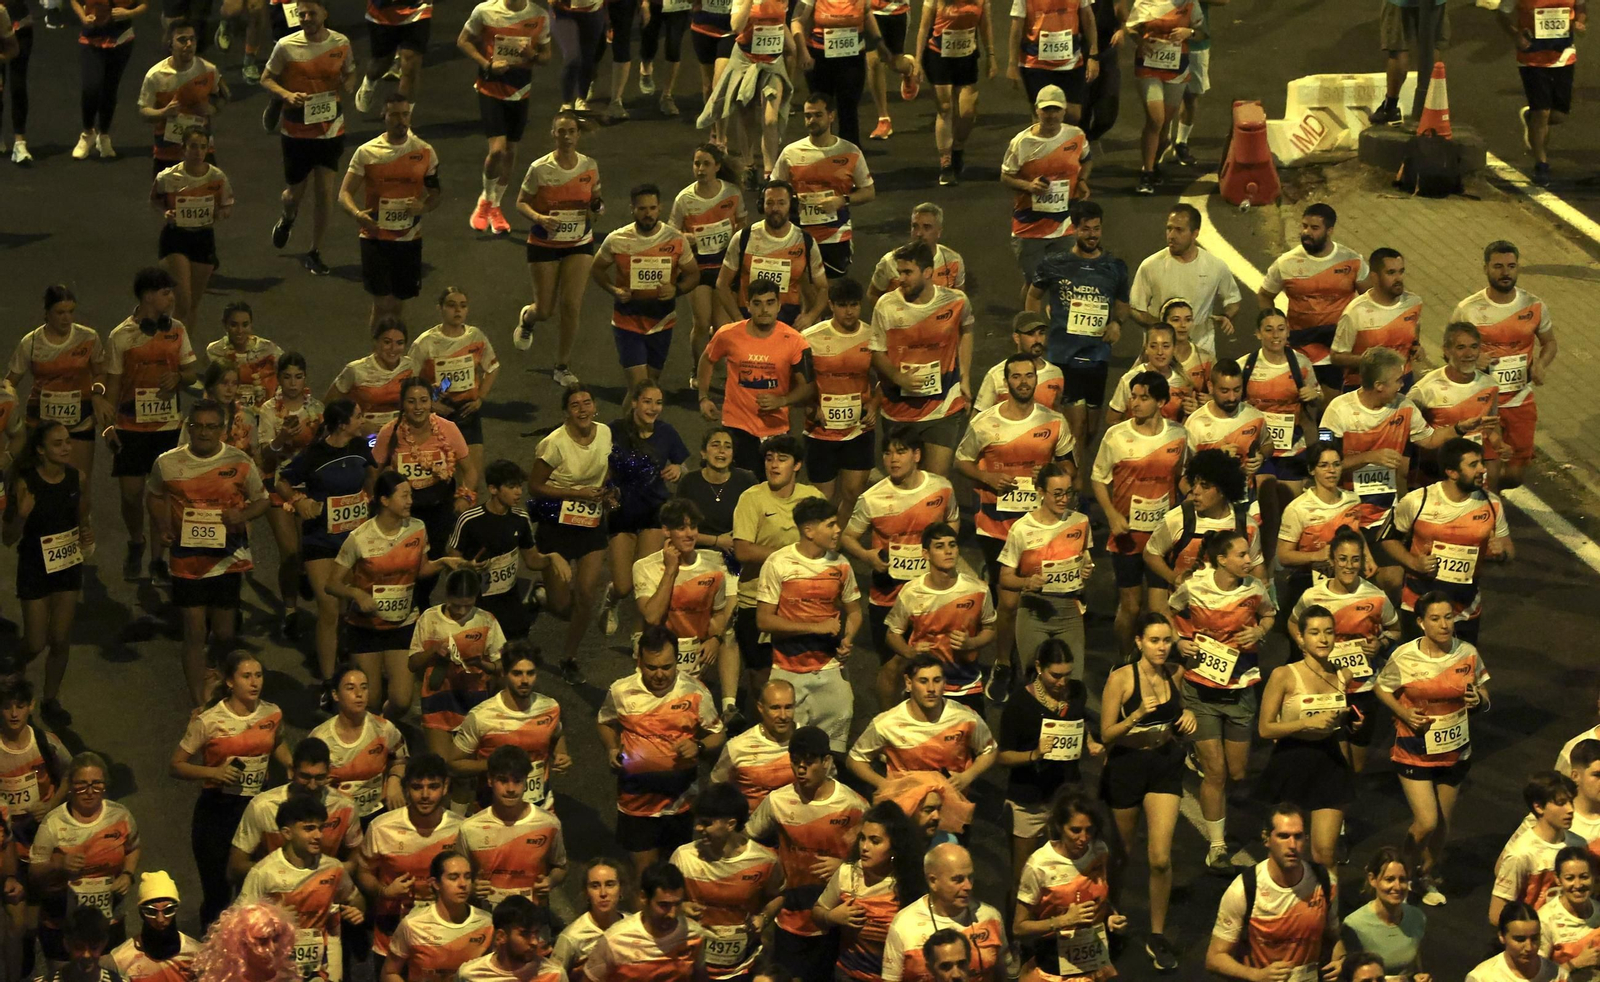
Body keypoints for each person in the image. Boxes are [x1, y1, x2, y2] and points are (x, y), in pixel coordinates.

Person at [148, 399, 270, 705]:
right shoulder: (167, 462)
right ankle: (199, 705)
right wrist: (162, 525)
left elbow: (262, 500)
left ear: (223, 430)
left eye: (211, 427)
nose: (204, 433)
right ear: (188, 428)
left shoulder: (240, 461)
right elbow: (154, 494)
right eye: (198, 426)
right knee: (194, 632)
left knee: (225, 634)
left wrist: (243, 515)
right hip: (186, 559)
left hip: (227, 559)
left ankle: (221, 685)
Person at [325, 472, 476, 715]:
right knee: (371, 701)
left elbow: (422, 570)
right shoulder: (359, 538)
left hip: (403, 623)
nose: (410, 501)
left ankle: (384, 727)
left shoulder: (417, 528)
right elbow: (331, 584)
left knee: (402, 701)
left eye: (410, 496)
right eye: (404, 496)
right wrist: (356, 594)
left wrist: (443, 562)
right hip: (366, 627)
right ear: (384, 500)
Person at [1374, 590, 1490, 907]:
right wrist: (1403, 712)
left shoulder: (1468, 653)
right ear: (1421, 622)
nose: (1443, 625)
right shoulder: (1405, 656)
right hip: (1414, 749)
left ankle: (1424, 876)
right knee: (1427, 821)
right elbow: (1382, 688)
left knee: (1442, 826)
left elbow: (1484, 694)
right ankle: (1399, 873)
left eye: (1448, 617)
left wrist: (1478, 701)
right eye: (1435, 619)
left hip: (1455, 751)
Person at [1168, 527, 1275, 873]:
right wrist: (1180, 641)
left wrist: (1259, 631)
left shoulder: (1255, 589)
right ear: (1222, 560)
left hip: (1240, 689)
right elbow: (1171, 611)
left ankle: (1198, 754)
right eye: (1241, 555)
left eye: (1248, 554)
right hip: (1201, 690)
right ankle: (1216, 847)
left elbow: (1270, 614)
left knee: (1237, 772)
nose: (1249, 560)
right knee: (1215, 773)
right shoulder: (1195, 586)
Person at [1097, 613, 1194, 971]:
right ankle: (1111, 917)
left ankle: (1157, 934)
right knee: (1121, 855)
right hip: (1127, 767)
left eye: (1166, 641)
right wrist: (1136, 714)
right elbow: (1106, 734)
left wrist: (1188, 719)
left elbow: (1178, 715)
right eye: (1154, 641)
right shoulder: (1121, 678)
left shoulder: (1174, 674)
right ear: (1138, 642)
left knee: (1160, 858)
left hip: (1164, 766)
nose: (1161, 647)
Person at [168, 651, 288, 930]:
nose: (254, 682)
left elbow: (277, 741)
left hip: (257, 809)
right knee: (218, 893)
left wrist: (292, 764)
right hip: (219, 810)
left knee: (255, 888)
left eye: (258, 675)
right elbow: (176, 765)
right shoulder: (209, 720)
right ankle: (212, 947)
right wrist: (214, 773)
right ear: (230, 682)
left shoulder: (272, 712)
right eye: (246, 676)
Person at [840, 430, 959, 705]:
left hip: (932, 593)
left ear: (917, 455)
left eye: (900, 452)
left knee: (937, 661)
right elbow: (848, 537)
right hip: (889, 595)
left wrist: (943, 549)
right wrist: (867, 556)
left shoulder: (941, 488)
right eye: (887, 453)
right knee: (893, 665)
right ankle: (889, 721)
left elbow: (952, 520)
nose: (893, 459)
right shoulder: (872, 498)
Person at [1321, 347, 1480, 551]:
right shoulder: (1338, 410)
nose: (1402, 384)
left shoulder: (1404, 406)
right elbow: (1323, 465)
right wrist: (1369, 457)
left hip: (1384, 510)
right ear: (1379, 385)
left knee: (1392, 569)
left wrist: (1459, 428)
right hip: (1344, 509)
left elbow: (1430, 440)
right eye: (1397, 380)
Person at [599, 626, 727, 876]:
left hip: (680, 803)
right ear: (639, 661)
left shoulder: (695, 691)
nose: (659, 674)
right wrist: (612, 747)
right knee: (644, 874)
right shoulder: (621, 691)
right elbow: (605, 722)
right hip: (636, 802)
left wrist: (698, 746)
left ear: (677, 660)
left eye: (666, 667)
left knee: (675, 873)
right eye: (652, 667)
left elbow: (717, 734)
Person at [747, 725, 867, 981]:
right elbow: (748, 840)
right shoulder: (778, 800)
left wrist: (843, 865)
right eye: (795, 762)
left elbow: (875, 857)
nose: (801, 769)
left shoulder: (852, 804)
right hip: (790, 914)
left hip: (834, 917)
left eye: (809, 762)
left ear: (827, 762)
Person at [996, 641, 1100, 935]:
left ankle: (1061, 932)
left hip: (1066, 797)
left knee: (1068, 870)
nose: (1062, 682)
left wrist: (1089, 741)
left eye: (1067, 674)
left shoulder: (1076, 692)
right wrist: (1033, 754)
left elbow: (1079, 722)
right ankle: (1015, 937)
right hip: (1029, 799)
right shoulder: (1019, 703)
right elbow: (1002, 757)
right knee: (1022, 877)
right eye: (1056, 675)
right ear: (1039, 668)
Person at [105, 267, 198, 584]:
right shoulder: (120, 336)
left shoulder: (178, 330)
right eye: (165, 292)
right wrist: (108, 426)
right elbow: (113, 386)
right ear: (147, 296)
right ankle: (136, 541)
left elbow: (192, 373)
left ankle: (159, 559)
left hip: (168, 428)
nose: (172, 298)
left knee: (164, 497)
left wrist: (180, 377)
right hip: (130, 429)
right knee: (131, 496)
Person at [957, 353, 1074, 603]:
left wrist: (1051, 470)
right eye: (1017, 376)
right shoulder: (984, 423)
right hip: (995, 520)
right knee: (1007, 598)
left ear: (1036, 379)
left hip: (1039, 519)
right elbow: (961, 461)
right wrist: (986, 477)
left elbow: (1070, 467)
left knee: (1038, 588)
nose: (1023, 382)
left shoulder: (1054, 421)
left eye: (1029, 376)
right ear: (1006, 381)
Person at [1026, 200, 1129, 477]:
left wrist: (1117, 323)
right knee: (1076, 428)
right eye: (1086, 229)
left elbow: (1122, 303)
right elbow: (1033, 296)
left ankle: (1067, 472)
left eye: (1096, 229)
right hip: (1063, 357)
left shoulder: (1115, 267)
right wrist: (1036, 332)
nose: (1092, 235)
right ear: (1074, 229)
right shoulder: (1055, 264)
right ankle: (1074, 487)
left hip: (1097, 357)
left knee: (1091, 429)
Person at [277, 400, 379, 677]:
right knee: (329, 607)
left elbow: (373, 473)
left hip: (353, 539)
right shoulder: (314, 454)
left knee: (347, 607)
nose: (362, 421)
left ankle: (344, 659)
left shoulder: (360, 447)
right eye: (358, 416)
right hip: (321, 539)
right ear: (343, 424)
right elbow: (281, 481)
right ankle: (327, 679)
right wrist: (299, 501)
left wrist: (371, 501)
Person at [1288, 525, 1399, 774]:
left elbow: (1395, 630)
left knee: (1355, 766)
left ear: (1362, 561)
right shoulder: (1312, 596)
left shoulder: (1376, 597)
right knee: (1329, 758)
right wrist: (1304, 645)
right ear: (1332, 560)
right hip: (1323, 687)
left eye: (1355, 559)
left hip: (1363, 688)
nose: (1349, 566)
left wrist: (1381, 643)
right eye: (1343, 559)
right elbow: (1293, 622)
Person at [756, 495, 863, 753]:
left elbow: (855, 611)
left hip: (830, 669)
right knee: (787, 749)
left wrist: (848, 639)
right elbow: (764, 620)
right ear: (809, 530)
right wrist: (815, 627)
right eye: (830, 525)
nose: (838, 530)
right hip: (787, 669)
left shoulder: (841, 564)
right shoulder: (778, 563)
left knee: (832, 749)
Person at [1089, 370, 1186, 653]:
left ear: (1161, 401)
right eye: (1133, 396)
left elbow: (1181, 478)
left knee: (1159, 608)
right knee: (1131, 606)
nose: (1135, 403)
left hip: (1162, 537)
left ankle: (1153, 663)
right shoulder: (1116, 435)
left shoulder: (1179, 435)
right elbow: (1098, 478)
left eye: (1144, 398)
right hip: (1127, 536)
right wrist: (1111, 514)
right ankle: (1124, 659)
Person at [1450, 240, 1558, 492]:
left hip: (1520, 401)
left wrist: (1541, 364)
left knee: (1515, 476)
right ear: (1486, 269)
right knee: (1489, 474)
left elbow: (1550, 342)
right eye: (1498, 266)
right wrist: (1471, 359)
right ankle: (1482, 507)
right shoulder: (1468, 309)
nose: (1505, 272)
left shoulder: (1534, 306)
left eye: (1511, 266)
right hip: (1482, 402)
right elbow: (1449, 352)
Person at [261, 0, 357, 278]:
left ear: (324, 13)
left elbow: (350, 71)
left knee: (325, 194)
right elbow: (266, 78)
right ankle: (288, 217)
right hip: (296, 131)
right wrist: (286, 95)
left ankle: (314, 252)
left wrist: (349, 83)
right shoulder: (286, 46)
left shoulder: (341, 43)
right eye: (301, 14)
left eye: (311, 13)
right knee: (293, 195)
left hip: (330, 128)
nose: (305, 18)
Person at [2, 422, 91, 723]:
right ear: (40, 449)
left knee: (61, 639)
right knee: (35, 642)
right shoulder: (25, 483)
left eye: (67, 442)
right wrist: (22, 515)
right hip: (35, 567)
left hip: (67, 565)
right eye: (57, 443)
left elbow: (82, 515)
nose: (66, 448)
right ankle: (12, 668)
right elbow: (8, 537)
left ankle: (50, 700)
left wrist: (85, 533)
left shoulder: (77, 478)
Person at [1384, 438, 1512, 645]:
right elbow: (1387, 538)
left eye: (1481, 463)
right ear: (1452, 472)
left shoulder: (1492, 503)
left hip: (1465, 608)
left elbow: (1509, 550)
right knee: (1417, 663)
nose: (1482, 469)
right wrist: (1413, 562)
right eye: (1473, 465)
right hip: (1418, 603)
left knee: (1460, 663)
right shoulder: (1418, 501)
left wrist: (1502, 553)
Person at [528, 383, 615, 685]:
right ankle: (542, 596)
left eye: (587, 403)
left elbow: (608, 467)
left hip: (591, 524)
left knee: (587, 596)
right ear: (566, 412)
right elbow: (535, 486)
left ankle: (569, 658)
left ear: (595, 407)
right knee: (563, 606)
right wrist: (575, 493)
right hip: (557, 526)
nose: (582, 409)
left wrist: (607, 491)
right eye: (575, 405)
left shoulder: (605, 433)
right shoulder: (554, 444)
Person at [729, 436, 827, 700]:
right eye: (769, 459)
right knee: (762, 678)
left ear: (797, 465)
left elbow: (827, 542)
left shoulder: (812, 498)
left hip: (803, 602)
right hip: (757, 601)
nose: (773, 465)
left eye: (782, 459)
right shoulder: (752, 499)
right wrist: (791, 557)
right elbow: (743, 550)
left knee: (806, 674)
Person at [1257, 604, 1353, 868]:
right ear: (1300, 637)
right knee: (1288, 853)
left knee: (1324, 853)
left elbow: (1338, 720)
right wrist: (1305, 723)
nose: (1323, 639)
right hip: (1291, 761)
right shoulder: (1284, 675)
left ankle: (1328, 896)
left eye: (1329, 632)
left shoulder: (1343, 675)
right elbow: (1265, 728)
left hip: (1329, 760)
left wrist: (1351, 722)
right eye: (1315, 632)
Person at [512, 109, 603, 385]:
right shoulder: (540, 168)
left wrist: (597, 209)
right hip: (545, 243)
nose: (566, 137)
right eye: (561, 131)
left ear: (578, 135)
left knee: (571, 305)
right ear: (553, 134)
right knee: (545, 310)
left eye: (571, 131)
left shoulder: (589, 166)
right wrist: (539, 218)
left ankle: (562, 366)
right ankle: (528, 318)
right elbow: (521, 202)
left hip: (579, 242)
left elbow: (596, 199)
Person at [870, 242, 975, 478]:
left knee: (936, 483)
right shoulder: (886, 306)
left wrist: (965, 377)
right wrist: (897, 377)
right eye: (900, 272)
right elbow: (876, 352)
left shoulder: (956, 301)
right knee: (903, 482)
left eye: (908, 272)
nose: (901, 279)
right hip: (898, 409)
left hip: (943, 406)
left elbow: (967, 329)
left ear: (927, 272)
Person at [372, 377, 479, 606]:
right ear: (402, 404)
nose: (418, 407)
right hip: (403, 514)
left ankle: (419, 603)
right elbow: (372, 474)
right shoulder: (389, 433)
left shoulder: (448, 429)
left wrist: (464, 497)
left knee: (432, 563)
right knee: (403, 564)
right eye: (411, 401)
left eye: (423, 400)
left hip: (438, 510)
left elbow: (470, 471)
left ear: (431, 402)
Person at [1207, 804, 1343, 982]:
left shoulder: (1324, 882)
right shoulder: (1244, 889)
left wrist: (1341, 961)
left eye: (1298, 836)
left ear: (1306, 839)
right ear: (1266, 839)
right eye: (1283, 836)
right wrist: (1256, 975)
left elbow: (1334, 937)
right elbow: (1214, 957)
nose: (1292, 845)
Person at [236, 794, 366, 981]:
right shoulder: (264, 872)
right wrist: (272, 917)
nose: (318, 835)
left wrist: (357, 911)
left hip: (325, 962)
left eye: (321, 828)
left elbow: (356, 899)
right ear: (287, 833)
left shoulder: (333, 868)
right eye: (309, 829)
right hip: (278, 962)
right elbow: (237, 924)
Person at [29, 753, 139, 969]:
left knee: (107, 974)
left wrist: (128, 874)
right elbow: (34, 873)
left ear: (105, 785)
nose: (89, 791)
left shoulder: (120, 816)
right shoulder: (53, 823)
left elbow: (133, 848)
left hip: (107, 918)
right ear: (70, 786)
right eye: (81, 785)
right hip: (62, 920)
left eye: (96, 784)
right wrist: (59, 865)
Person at [339, 94, 441, 328]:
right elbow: (344, 194)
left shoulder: (425, 151)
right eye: (394, 115)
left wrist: (424, 207)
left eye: (405, 114)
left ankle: (393, 348)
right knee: (382, 303)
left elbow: (436, 194)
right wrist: (357, 215)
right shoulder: (367, 152)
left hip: (409, 237)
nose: (401, 120)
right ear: (383, 116)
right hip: (375, 237)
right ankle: (379, 349)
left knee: (397, 303)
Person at [698, 280, 817, 474]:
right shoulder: (728, 334)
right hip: (737, 425)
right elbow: (707, 359)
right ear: (748, 305)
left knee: (774, 484)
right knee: (739, 485)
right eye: (757, 303)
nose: (764, 309)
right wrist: (703, 397)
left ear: (779, 305)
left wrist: (782, 401)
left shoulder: (795, 341)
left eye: (770, 303)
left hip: (776, 428)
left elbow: (808, 386)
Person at [1257, 204, 1370, 403]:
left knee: (1331, 403)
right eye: (1304, 226)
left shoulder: (1352, 261)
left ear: (1330, 230)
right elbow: (1265, 295)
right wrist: (1273, 325)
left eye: (1314, 228)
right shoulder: (1286, 263)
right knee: (1301, 401)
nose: (1306, 232)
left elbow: (1369, 300)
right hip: (1300, 345)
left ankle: (1325, 425)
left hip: (1336, 346)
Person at [591, 185, 700, 388]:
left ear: (660, 208)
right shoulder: (617, 239)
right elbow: (597, 269)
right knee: (639, 386)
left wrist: (676, 290)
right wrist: (614, 290)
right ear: (632, 209)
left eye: (652, 208)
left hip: (662, 322)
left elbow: (693, 274)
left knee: (650, 384)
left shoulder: (676, 239)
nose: (648, 214)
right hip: (627, 321)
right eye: (642, 209)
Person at [670, 782, 782, 980]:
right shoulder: (683, 857)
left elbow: (778, 896)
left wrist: (763, 918)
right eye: (698, 822)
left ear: (730, 824)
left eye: (706, 823)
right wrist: (681, 907)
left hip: (743, 967)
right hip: (693, 965)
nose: (698, 828)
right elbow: (662, 901)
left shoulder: (765, 861)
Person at [356, 754, 462, 962]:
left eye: (433, 787)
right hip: (391, 937)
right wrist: (384, 891)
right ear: (405, 788)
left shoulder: (461, 829)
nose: (425, 795)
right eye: (417, 787)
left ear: (445, 786)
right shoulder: (381, 827)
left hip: (444, 936)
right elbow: (363, 872)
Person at [457, 0, 551, 234]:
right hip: (491, 88)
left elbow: (546, 56)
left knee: (510, 151)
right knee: (497, 150)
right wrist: (487, 65)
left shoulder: (539, 16)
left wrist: (533, 54)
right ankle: (486, 199)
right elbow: (463, 41)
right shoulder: (485, 11)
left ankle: (496, 206)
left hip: (520, 91)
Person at [1012, 791, 1127, 982]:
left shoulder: (1099, 851)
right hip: (1055, 965)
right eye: (1075, 830)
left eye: (1089, 830)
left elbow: (1100, 898)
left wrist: (1110, 916)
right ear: (1059, 826)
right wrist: (1063, 921)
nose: (1083, 838)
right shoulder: (1039, 865)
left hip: (1094, 960)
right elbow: (1019, 928)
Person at [448, 459, 567, 641]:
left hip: (508, 600)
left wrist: (552, 557)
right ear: (493, 489)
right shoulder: (469, 520)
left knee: (515, 650)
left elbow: (532, 560)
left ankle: (531, 596)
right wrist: (468, 566)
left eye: (519, 486)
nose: (518, 492)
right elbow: (451, 564)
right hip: (476, 602)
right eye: (512, 487)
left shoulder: (520, 518)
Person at [884, 523, 996, 708]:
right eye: (939, 546)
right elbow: (892, 634)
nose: (948, 551)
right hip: (924, 685)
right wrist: (909, 652)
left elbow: (990, 628)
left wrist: (972, 643)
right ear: (925, 554)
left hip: (965, 685)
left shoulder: (978, 590)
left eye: (952, 545)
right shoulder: (911, 592)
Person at [450, 641, 571, 810]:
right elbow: (454, 763)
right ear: (504, 674)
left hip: (540, 808)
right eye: (517, 673)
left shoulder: (550, 708)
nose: (525, 680)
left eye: (530, 673)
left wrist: (561, 754)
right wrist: (494, 764)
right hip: (493, 810)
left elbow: (556, 734)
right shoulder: (482, 716)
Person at [7, 286, 111, 481]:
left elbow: (100, 373)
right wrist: (9, 400)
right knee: (38, 481)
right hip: (40, 422)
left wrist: (97, 394)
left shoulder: (88, 338)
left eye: (71, 312)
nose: (67, 318)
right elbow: (10, 382)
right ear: (47, 313)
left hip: (80, 421)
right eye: (60, 312)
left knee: (80, 481)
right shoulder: (31, 343)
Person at [812, 801, 923, 982]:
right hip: (847, 974)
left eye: (875, 841)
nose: (864, 847)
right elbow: (817, 912)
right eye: (863, 838)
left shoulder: (908, 883)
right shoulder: (848, 873)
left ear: (895, 846)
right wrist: (831, 917)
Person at [848, 655, 998, 788]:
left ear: (944, 683)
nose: (931, 688)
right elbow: (855, 760)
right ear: (908, 683)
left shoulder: (965, 717)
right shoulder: (887, 723)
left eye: (937, 680)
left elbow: (989, 751)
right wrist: (884, 784)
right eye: (923, 681)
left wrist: (968, 776)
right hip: (906, 802)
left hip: (953, 803)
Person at [227, 736, 361, 884]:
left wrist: (333, 871)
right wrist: (284, 873)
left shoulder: (345, 807)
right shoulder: (263, 806)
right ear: (291, 771)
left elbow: (356, 857)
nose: (312, 786)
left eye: (319, 778)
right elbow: (236, 867)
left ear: (328, 773)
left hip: (323, 889)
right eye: (305, 777)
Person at [632, 498, 734, 690]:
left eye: (693, 527)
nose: (690, 534)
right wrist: (670, 570)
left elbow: (718, 613)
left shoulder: (714, 569)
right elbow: (652, 616)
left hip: (695, 660)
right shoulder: (645, 567)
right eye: (681, 528)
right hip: (656, 658)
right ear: (666, 531)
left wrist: (715, 639)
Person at [1142, 447, 1259, 614]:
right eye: (1194, 484)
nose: (1195, 491)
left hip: (1229, 614)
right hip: (1184, 616)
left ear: (1223, 490)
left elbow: (1257, 569)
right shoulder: (1177, 519)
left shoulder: (1246, 525)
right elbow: (1151, 554)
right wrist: (1174, 578)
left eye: (1205, 486)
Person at [409, 569, 504, 771]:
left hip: (474, 702)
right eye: (456, 605)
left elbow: (501, 665)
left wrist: (481, 664)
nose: (461, 611)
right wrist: (433, 650)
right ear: (447, 595)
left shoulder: (486, 621)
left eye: (467, 605)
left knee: (466, 770)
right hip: (437, 699)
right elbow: (413, 663)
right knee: (442, 767)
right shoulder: (429, 619)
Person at [256, 352, 322, 640]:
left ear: (305, 377)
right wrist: (282, 438)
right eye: (287, 377)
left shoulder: (316, 410)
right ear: (278, 379)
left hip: (308, 486)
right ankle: (290, 610)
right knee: (290, 552)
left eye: (298, 377)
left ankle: (305, 575)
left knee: (306, 551)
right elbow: (265, 455)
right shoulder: (269, 410)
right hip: (277, 484)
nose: (293, 383)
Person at [672, 144, 749, 384]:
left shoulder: (731, 193)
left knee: (721, 324)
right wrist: (688, 238)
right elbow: (671, 234)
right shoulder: (684, 199)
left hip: (724, 267)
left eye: (706, 164)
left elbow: (743, 225)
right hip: (697, 268)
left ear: (717, 166)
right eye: (697, 164)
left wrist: (736, 239)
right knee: (702, 322)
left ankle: (720, 364)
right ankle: (698, 369)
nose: (701, 169)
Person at [801, 278, 877, 521]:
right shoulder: (810, 338)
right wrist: (810, 406)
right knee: (823, 496)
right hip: (821, 431)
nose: (849, 311)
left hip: (858, 428)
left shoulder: (872, 336)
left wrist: (874, 404)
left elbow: (885, 378)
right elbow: (797, 381)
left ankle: (837, 536)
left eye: (854, 305)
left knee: (853, 492)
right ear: (831, 305)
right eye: (843, 305)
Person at [697, 0, 795, 183]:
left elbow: (781, 21)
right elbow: (736, 26)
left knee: (771, 119)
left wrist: (794, 48)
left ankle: (770, 173)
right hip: (746, 60)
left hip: (772, 61)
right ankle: (749, 166)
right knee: (746, 115)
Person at [410, 286, 500, 486]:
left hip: (468, 411)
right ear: (440, 308)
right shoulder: (425, 343)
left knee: (472, 477)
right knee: (437, 477)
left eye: (463, 305)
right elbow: (408, 380)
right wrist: (430, 405)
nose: (458, 310)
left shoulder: (475, 337)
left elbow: (492, 367)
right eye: (451, 305)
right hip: (436, 415)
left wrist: (480, 398)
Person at [459, 745, 568, 911]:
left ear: (526, 781)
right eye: (503, 780)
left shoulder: (549, 824)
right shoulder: (469, 828)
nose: (510, 789)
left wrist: (550, 881)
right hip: (486, 919)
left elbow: (561, 867)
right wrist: (472, 888)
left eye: (517, 781)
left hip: (533, 917)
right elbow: (457, 876)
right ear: (490, 780)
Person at [794, 0, 912, 151]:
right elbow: (797, 21)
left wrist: (879, 43)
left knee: (849, 107)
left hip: (852, 59)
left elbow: (867, 15)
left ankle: (850, 154)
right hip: (819, 59)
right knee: (820, 107)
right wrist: (802, 52)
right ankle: (820, 151)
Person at [716, 180, 829, 331]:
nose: (775, 208)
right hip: (749, 321)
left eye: (781, 203)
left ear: (791, 206)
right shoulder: (743, 238)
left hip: (789, 323)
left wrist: (810, 317)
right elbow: (722, 284)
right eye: (770, 203)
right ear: (761, 205)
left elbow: (823, 288)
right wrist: (737, 319)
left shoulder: (805, 241)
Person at [881, 843, 1005, 982]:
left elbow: (1005, 973)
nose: (968, 886)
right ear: (933, 881)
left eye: (970, 877)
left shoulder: (991, 917)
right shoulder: (904, 924)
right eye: (958, 880)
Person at [1001, 86, 1090, 278]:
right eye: (1046, 109)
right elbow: (1005, 177)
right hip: (1029, 228)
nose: (1052, 115)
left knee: (1063, 281)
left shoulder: (1076, 136)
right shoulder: (1021, 142)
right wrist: (1028, 186)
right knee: (1035, 282)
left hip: (1065, 225)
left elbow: (1087, 159)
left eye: (1056, 109)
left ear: (1064, 111)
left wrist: (1082, 180)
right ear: (1036, 110)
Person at [149, 126, 232, 332]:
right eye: (193, 146)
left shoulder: (217, 178)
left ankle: (184, 347)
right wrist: (165, 213)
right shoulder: (168, 177)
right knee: (183, 301)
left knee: (193, 305)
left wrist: (220, 213)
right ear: (183, 149)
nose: (198, 152)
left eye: (203, 147)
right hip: (175, 238)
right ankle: (166, 340)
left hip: (203, 238)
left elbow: (227, 205)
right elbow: (155, 200)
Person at [1129, 204, 1239, 356]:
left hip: (1201, 352)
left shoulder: (1215, 266)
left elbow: (1233, 300)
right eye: (1169, 228)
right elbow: (1135, 308)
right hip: (1161, 353)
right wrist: (1164, 328)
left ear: (1195, 233)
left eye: (1179, 230)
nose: (1171, 235)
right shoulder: (1150, 266)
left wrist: (1227, 316)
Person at [1499, 0, 1583, 186]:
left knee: (1558, 115)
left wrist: (1580, 21)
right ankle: (1541, 164)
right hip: (1531, 57)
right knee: (1542, 113)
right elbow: (1502, 13)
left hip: (1563, 55)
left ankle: (1531, 118)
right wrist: (1516, 35)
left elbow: (1581, 6)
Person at [309, 665, 408, 822]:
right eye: (350, 688)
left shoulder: (383, 728)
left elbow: (400, 759)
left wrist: (394, 780)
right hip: (337, 818)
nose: (359, 694)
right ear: (335, 694)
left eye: (364, 687)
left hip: (379, 811)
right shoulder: (320, 738)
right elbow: (306, 780)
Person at [910, 0, 993, 185]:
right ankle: (946, 162)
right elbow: (923, 28)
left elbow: (985, 26)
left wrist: (991, 56)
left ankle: (958, 148)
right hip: (938, 56)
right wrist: (917, 61)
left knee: (968, 112)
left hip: (967, 58)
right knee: (945, 108)